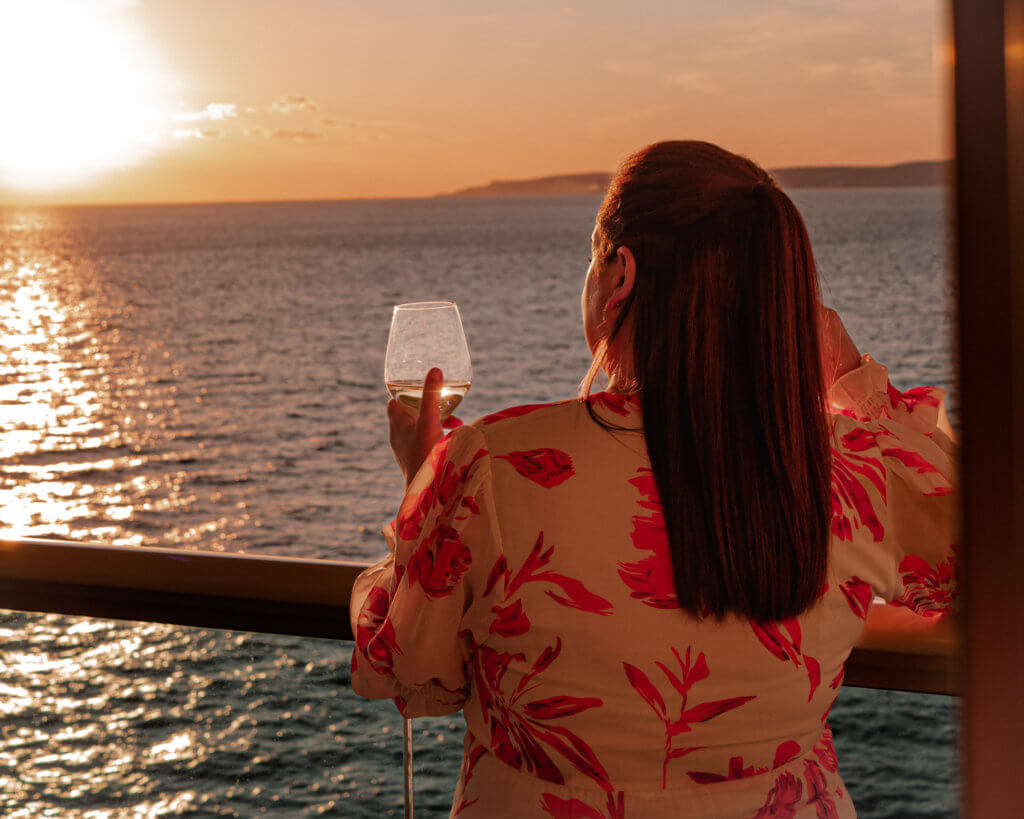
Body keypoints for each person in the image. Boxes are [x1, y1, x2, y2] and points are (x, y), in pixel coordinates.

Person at [349, 141, 957, 818]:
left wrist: (424, 489)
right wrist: (850, 376)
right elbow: (983, 552)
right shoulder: (847, 469)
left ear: (621, 276)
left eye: (592, 254)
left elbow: (404, 675)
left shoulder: (493, 466)